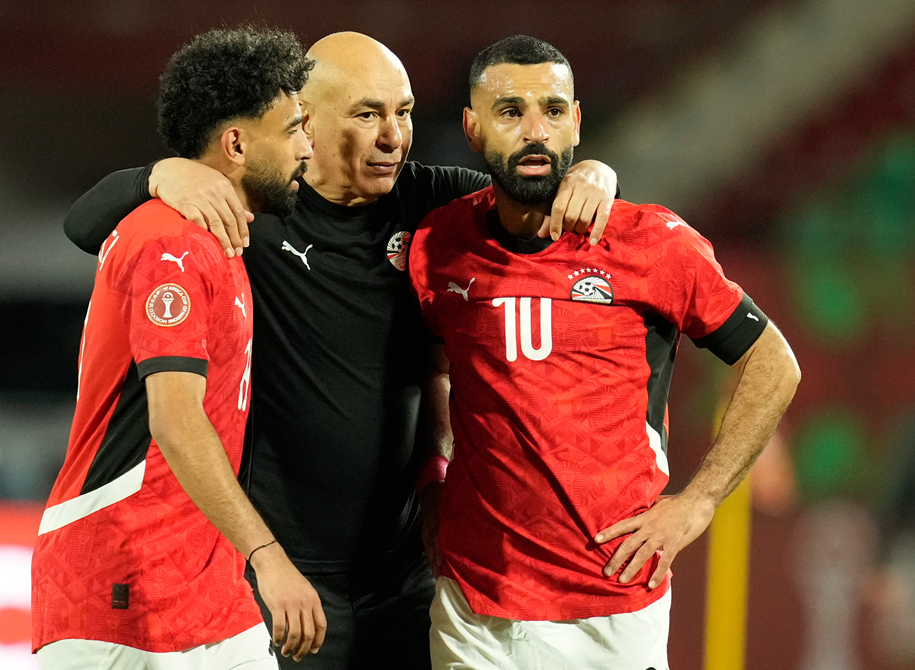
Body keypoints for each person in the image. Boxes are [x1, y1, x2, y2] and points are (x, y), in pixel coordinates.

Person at [61, 32, 619, 669]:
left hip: (403, 573)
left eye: (404, 112)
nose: (393, 138)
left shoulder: (433, 202)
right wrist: (155, 175)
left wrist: (594, 173)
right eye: (367, 114)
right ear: (307, 122)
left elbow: (534, 197)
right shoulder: (257, 207)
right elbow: (85, 225)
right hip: (280, 578)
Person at [408, 35, 801, 670]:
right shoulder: (439, 241)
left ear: (576, 122)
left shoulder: (652, 242)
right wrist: (434, 478)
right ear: (472, 128)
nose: (535, 131)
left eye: (552, 111)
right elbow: (436, 369)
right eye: (510, 112)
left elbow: (774, 362)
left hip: (612, 602)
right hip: (474, 603)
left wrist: (699, 502)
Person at [32, 27, 324, 669]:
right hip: (123, 583)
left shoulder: (218, 235)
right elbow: (175, 417)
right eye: (294, 128)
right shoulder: (175, 242)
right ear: (237, 144)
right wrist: (269, 556)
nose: (308, 145)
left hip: (205, 584)